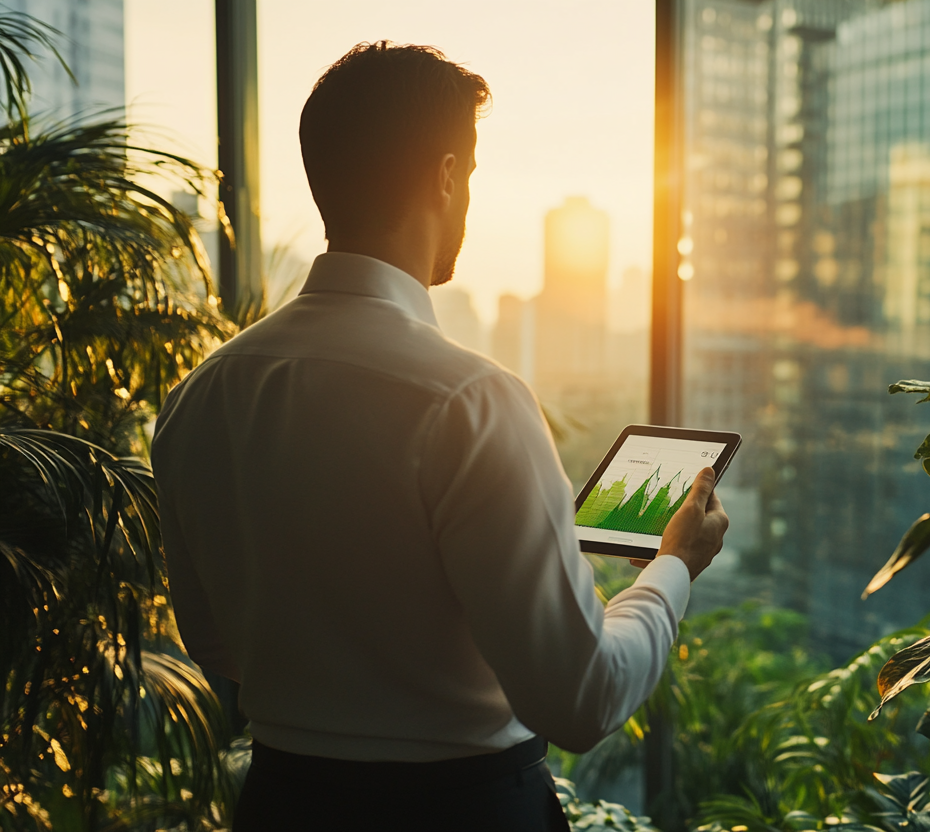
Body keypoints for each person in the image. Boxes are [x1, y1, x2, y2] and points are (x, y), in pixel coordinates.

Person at [151, 42, 729, 831]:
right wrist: (672, 569)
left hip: (280, 805)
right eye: (475, 173)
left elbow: (216, 651)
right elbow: (583, 698)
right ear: (448, 175)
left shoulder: (198, 398)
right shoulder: (472, 401)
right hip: (467, 811)